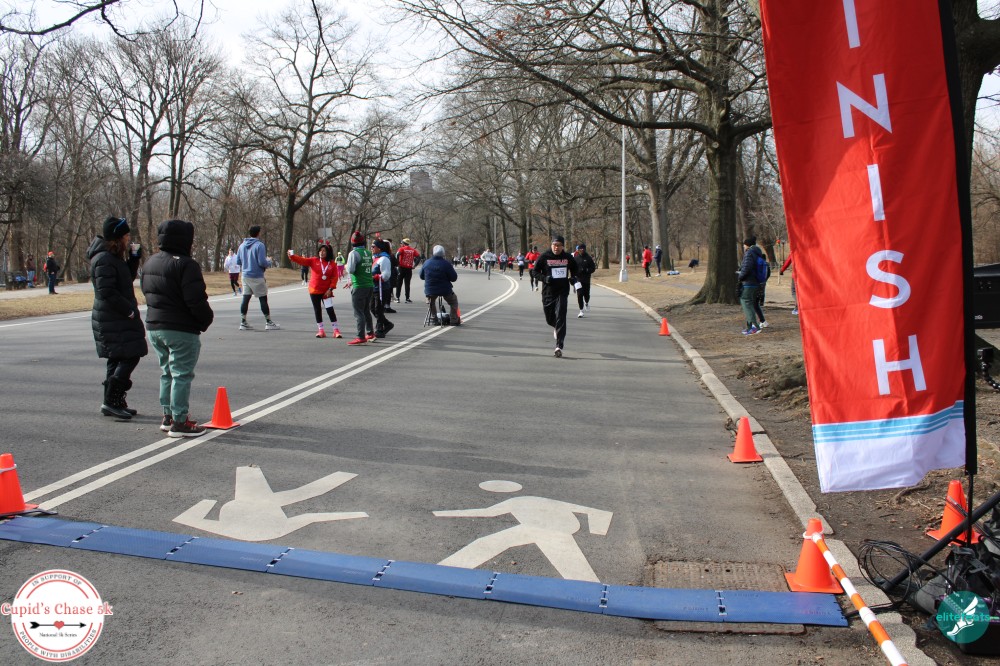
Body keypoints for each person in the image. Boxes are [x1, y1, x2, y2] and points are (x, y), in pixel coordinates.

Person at [140, 219, 215, 437]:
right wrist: (205, 320)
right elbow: (196, 299)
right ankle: (180, 421)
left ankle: (168, 415)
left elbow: (146, 291)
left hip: (154, 325)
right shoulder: (186, 264)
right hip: (180, 327)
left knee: (167, 372)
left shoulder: (150, 262)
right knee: (181, 374)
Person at [87, 216, 148, 420]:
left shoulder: (113, 257)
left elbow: (125, 279)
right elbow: (107, 291)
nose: (128, 238)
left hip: (115, 316)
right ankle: (111, 400)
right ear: (117, 238)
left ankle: (112, 401)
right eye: (126, 235)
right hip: (112, 317)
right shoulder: (103, 259)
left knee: (116, 358)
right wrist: (128, 310)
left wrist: (134, 259)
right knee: (131, 354)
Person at [534, 235, 580, 357]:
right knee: (549, 319)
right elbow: (534, 272)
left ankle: (559, 346)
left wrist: (573, 278)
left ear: (562, 246)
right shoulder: (544, 257)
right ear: (551, 245)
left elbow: (575, 269)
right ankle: (556, 326)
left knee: (561, 316)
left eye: (559, 245)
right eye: (554, 245)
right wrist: (545, 278)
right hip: (548, 292)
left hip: (562, 292)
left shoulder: (568, 257)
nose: (556, 248)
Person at [288, 243, 342, 338]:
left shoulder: (332, 264)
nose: (321, 252)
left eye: (324, 251)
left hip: (326, 292)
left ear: (328, 252)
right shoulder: (314, 260)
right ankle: (321, 330)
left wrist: (330, 289)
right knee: (317, 310)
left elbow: (334, 278)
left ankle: (336, 330)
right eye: (320, 250)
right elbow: (302, 260)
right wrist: (292, 256)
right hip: (314, 290)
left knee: (330, 310)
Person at [236, 225, 279, 331]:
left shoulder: (242, 245)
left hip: (245, 275)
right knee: (263, 298)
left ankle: (243, 321)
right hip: (256, 276)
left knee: (246, 298)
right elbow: (262, 262)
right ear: (258, 233)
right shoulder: (260, 245)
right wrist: (268, 261)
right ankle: (268, 322)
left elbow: (238, 261)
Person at [345, 231, 375, 345]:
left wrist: (346, 266)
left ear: (352, 242)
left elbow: (351, 270)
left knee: (358, 312)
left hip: (359, 285)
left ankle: (360, 336)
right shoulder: (368, 252)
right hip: (369, 285)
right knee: (366, 310)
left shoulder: (353, 253)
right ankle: (370, 332)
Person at [419, 244, 460, 325]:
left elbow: (421, 276)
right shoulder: (446, 264)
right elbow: (454, 278)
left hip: (430, 290)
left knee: (431, 302)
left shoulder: (426, 263)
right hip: (445, 290)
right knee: (453, 301)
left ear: (433, 253)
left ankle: (434, 318)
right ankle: (453, 320)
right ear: (443, 253)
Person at [737, 237, 763, 335]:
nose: (743, 246)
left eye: (744, 244)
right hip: (755, 282)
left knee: (745, 302)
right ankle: (750, 327)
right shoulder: (757, 252)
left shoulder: (749, 253)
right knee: (750, 303)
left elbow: (747, 267)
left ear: (747, 244)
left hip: (748, 282)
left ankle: (754, 327)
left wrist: (740, 276)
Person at [371, 239, 395, 338]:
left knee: (378, 309)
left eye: (373, 246)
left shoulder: (384, 259)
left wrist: (375, 277)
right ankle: (387, 324)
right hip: (374, 287)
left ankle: (380, 329)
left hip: (382, 288)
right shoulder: (375, 258)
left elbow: (386, 275)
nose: (371, 248)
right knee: (372, 308)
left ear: (379, 248)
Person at [573, 243, 596, 318]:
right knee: (579, 295)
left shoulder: (588, 258)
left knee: (586, 295)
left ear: (585, 249)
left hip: (586, 279)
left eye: (583, 248)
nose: (582, 249)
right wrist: (573, 277)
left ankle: (586, 302)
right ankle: (581, 311)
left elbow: (593, 268)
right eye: (580, 248)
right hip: (578, 280)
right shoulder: (575, 258)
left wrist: (586, 270)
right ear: (578, 250)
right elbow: (572, 269)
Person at [395, 238, 420, 303]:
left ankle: (397, 298)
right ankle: (407, 298)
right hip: (409, 269)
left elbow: (397, 254)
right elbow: (419, 257)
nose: (401, 244)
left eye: (401, 243)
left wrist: (397, 263)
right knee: (407, 284)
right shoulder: (413, 250)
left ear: (403, 243)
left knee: (399, 283)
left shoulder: (401, 249)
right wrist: (415, 265)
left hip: (401, 268)